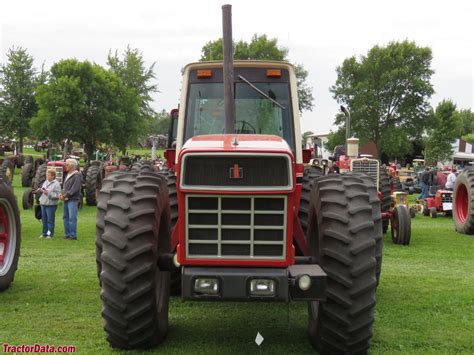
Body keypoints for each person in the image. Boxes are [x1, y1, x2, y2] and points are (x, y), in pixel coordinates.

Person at [59, 158, 82, 240]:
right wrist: (61, 194)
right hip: (66, 199)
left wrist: (66, 195)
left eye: (67, 164)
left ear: (72, 165)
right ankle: (67, 234)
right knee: (65, 217)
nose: (65, 166)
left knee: (72, 217)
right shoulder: (67, 174)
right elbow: (65, 187)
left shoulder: (77, 175)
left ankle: (73, 235)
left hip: (72, 199)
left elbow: (75, 188)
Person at [38, 169, 61, 239]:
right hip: (43, 203)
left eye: (48, 175)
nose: (47, 176)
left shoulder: (56, 184)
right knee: (44, 220)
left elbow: (58, 195)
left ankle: (49, 234)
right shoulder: (45, 182)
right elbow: (43, 189)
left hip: (51, 205)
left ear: (53, 176)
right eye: (47, 175)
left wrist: (49, 193)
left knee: (50, 220)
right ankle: (44, 233)